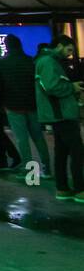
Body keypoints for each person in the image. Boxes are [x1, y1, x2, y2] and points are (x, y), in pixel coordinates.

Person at [0, 34, 51, 178]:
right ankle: (46, 168)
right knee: (38, 137)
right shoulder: (30, 60)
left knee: (21, 138)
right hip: (32, 104)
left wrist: (0, 104)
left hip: (13, 106)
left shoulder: (1, 62)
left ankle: (29, 170)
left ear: (6, 46)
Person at [34, 35, 84, 201]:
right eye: (69, 49)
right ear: (60, 46)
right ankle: (80, 189)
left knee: (61, 151)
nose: (70, 54)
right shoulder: (49, 62)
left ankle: (62, 188)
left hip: (57, 114)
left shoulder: (45, 61)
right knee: (77, 151)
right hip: (61, 113)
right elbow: (52, 86)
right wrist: (72, 87)